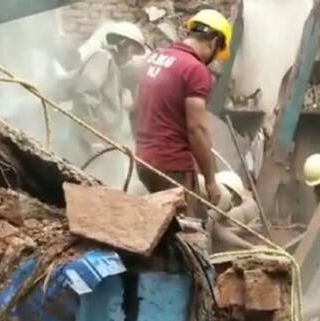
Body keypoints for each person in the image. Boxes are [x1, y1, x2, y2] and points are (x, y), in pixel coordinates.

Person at [134, 9, 232, 207]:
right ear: (213, 43)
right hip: (172, 167)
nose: (212, 60)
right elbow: (197, 129)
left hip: (144, 162)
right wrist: (211, 181)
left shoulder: (155, 58)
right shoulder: (195, 69)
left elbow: (134, 109)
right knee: (189, 232)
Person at [72, 22, 146, 157]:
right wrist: (92, 139)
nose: (131, 57)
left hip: (104, 136)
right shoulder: (102, 58)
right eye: (132, 51)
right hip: (92, 140)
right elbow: (85, 95)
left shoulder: (113, 64)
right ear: (123, 44)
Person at [200, 171, 260, 251]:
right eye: (236, 200)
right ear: (234, 193)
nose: (232, 207)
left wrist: (249, 246)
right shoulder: (225, 196)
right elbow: (206, 228)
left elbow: (215, 228)